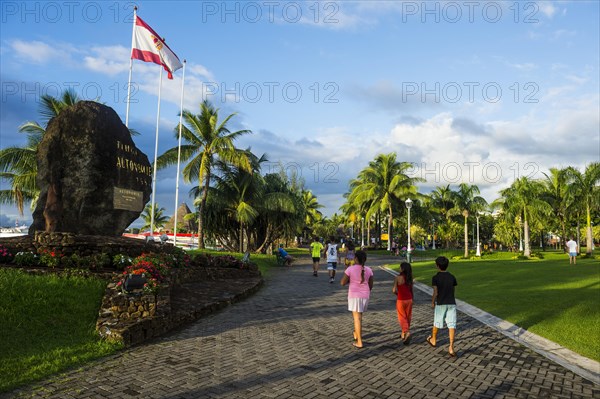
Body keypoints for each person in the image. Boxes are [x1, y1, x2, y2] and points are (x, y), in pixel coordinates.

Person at [341, 250, 373, 348]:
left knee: (357, 319)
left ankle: (359, 341)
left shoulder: (350, 269)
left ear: (355, 258)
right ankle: (356, 333)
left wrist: (350, 280)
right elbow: (371, 284)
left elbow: (342, 282)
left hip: (354, 295)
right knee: (359, 317)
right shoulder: (369, 270)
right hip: (365, 295)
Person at [427, 256, 458, 357]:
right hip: (451, 303)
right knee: (452, 325)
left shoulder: (435, 278)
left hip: (441, 303)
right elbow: (453, 291)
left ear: (437, 266)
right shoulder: (452, 277)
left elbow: (436, 292)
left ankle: (433, 339)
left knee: (437, 322)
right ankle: (451, 347)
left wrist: (432, 302)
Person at [393, 262, 413, 345]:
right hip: (409, 299)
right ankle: (403, 333)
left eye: (400, 267)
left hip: (401, 299)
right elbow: (411, 290)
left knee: (402, 317)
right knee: (408, 316)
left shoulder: (398, 278)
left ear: (403, 269)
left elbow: (394, 290)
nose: (399, 268)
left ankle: (406, 331)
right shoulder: (410, 278)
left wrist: (398, 294)